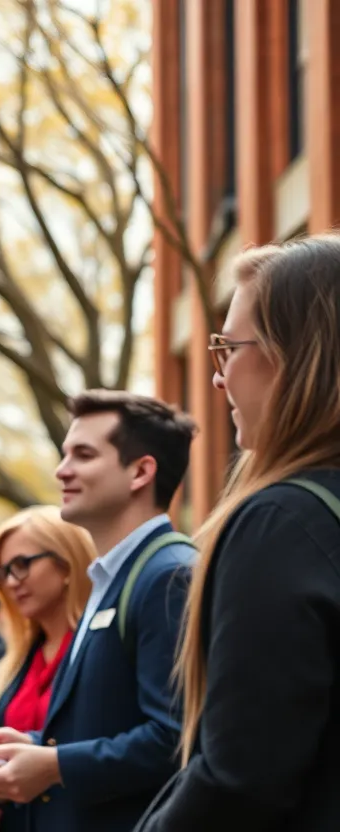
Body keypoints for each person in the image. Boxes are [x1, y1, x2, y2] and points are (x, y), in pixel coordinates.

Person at [136, 239, 340, 830]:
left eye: (228, 348)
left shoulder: (282, 523)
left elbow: (239, 780)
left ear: (298, 356)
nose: (219, 378)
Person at [0, 390, 196, 832]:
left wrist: (53, 764)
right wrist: (32, 747)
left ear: (141, 472)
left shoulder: (168, 575)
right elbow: (109, 722)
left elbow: (175, 739)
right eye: (64, 453)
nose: (61, 470)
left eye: (83, 455)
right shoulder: (113, 579)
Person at [0, 506, 93, 832]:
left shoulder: (98, 648)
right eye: (2, 573)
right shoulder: (10, 661)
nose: (10, 582)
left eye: (21, 565)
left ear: (67, 564)